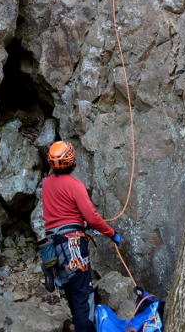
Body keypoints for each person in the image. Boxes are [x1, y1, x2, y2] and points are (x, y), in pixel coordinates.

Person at [42, 140, 121, 332]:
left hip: (53, 247)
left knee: (71, 291)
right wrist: (112, 233)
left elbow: (62, 218)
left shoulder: (46, 184)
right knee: (83, 295)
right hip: (72, 246)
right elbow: (92, 217)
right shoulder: (75, 185)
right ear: (72, 162)